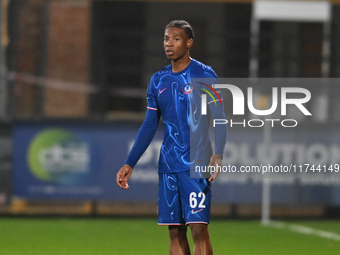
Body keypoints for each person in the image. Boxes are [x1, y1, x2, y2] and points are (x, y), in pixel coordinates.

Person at [117, 20, 227, 255]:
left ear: (188, 43)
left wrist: (218, 154)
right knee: (175, 231)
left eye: (175, 39)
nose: (169, 44)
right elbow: (149, 125)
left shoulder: (205, 75)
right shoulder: (158, 81)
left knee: (198, 229)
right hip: (168, 165)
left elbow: (219, 117)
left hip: (196, 163)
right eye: (166, 39)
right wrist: (130, 162)